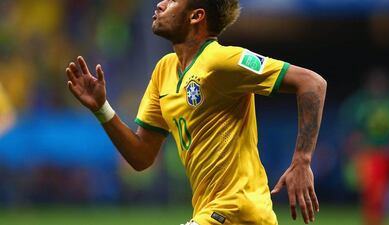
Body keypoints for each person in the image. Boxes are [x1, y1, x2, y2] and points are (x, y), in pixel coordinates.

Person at [65, 0, 327, 224]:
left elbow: (312, 83)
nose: (160, 4)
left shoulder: (221, 61)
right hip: (211, 211)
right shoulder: (164, 71)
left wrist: (302, 161)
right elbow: (142, 156)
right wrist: (102, 109)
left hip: (238, 209)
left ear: (196, 16)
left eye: (173, 1)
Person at [340, 68, 389, 225]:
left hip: (386, 155)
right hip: (367, 154)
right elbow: (351, 130)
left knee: (381, 192)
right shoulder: (360, 103)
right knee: (370, 192)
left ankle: (376, 220)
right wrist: (352, 152)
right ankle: (372, 221)